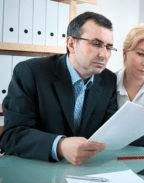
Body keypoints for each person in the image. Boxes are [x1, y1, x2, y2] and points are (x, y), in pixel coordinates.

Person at [0, 12, 118, 166]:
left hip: (86, 171)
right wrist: (60, 146)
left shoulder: (108, 79)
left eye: (109, 47)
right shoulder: (30, 72)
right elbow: (12, 135)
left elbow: (111, 128)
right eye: (96, 44)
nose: (104, 54)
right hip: (37, 169)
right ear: (71, 44)